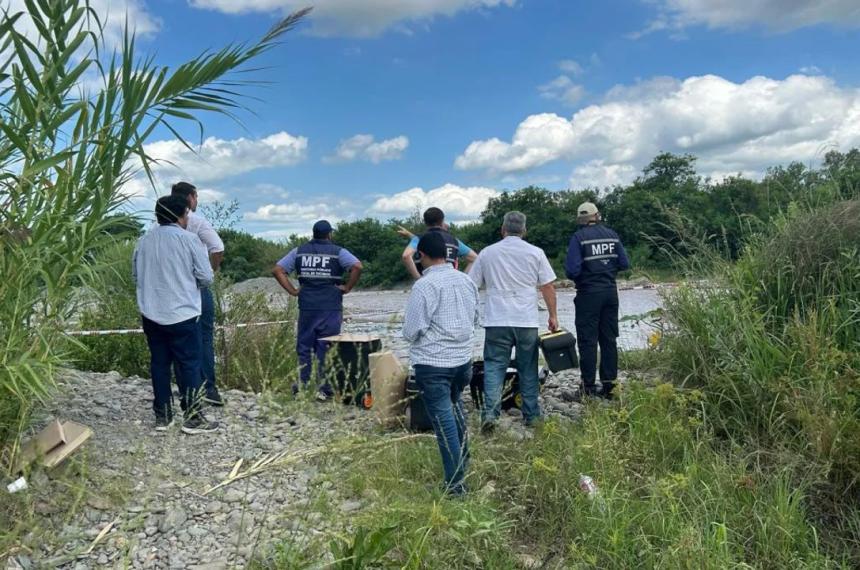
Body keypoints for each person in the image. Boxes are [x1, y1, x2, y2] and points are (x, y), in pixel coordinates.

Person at [133, 195, 219, 434]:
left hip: (151, 312)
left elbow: (135, 275)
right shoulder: (189, 240)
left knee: (159, 364)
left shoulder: (144, 241)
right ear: (182, 216)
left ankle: (163, 417)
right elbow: (206, 277)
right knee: (189, 364)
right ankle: (192, 417)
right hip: (183, 313)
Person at [403, 231, 479, 496]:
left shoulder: (424, 285)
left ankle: (456, 486)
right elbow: (475, 318)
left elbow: (412, 330)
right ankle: (464, 459)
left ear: (421, 255)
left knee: (443, 420)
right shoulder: (465, 281)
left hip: (433, 363)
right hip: (462, 362)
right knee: (454, 406)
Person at [469, 211, 558, 432]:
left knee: (494, 367)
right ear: (524, 230)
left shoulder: (487, 253)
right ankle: (531, 416)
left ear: (503, 229)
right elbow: (547, 286)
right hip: (526, 320)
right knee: (527, 368)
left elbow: (472, 285)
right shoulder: (536, 253)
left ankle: (490, 414)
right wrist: (553, 315)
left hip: (497, 319)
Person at [272, 220, 363, 400]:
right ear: (329, 234)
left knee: (305, 346)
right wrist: (347, 287)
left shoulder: (298, 251)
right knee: (327, 346)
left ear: (313, 234)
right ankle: (325, 389)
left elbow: (278, 270)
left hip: (307, 305)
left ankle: (303, 386)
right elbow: (357, 266)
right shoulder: (338, 252)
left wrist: (293, 291)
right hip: (330, 305)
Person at [564, 202, 630, 399]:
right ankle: (610, 387)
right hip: (610, 292)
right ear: (597, 215)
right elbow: (624, 263)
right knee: (609, 339)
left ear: (580, 220)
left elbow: (572, 270)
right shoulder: (612, 235)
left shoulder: (579, 238)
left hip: (588, 294)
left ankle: (588, 388)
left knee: (588, 341)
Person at [171, 181, 225, 406]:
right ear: (191, 198)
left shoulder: (159, 225)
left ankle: (185, 388)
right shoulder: (197, 222)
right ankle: (208, 388)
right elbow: (217, 248)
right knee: (203, 337)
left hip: (173, 288)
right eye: (196, 197)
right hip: (197, 286)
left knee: (176, 338)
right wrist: (211, 270)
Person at [399, 207, 478, 280]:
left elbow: (406, 256)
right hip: (450, 283)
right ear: (442, 221)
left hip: (427, 285)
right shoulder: (454, 241)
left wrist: (418, 279)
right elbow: (474, 258)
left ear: (425, 222)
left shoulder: (419, 239)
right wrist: (461, 278)